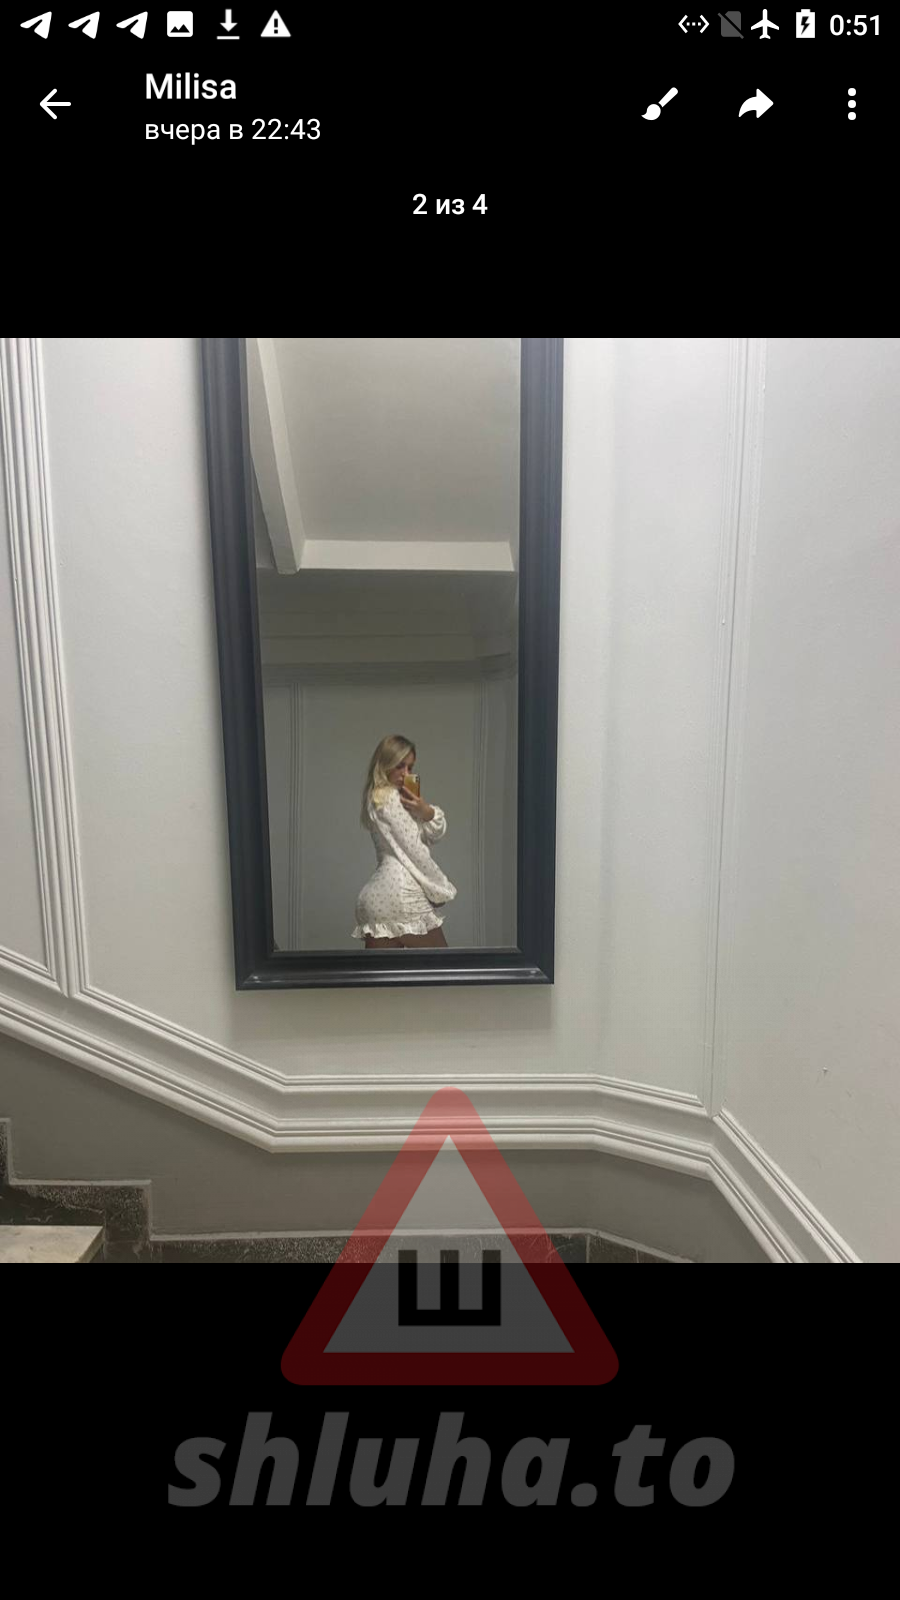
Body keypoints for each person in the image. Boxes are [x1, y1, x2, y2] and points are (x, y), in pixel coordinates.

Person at [353, 734, 457, 948]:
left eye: (410, 767)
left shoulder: (377, 797)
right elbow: (414, 849)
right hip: (402, 895)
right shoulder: (389, 797)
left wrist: (426, 812)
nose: (406, 774)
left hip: (375, 902)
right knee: (443, 967)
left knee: (384, 973)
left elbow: (431, 835)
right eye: (400, 766)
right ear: (385, 764)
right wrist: (439, 888)